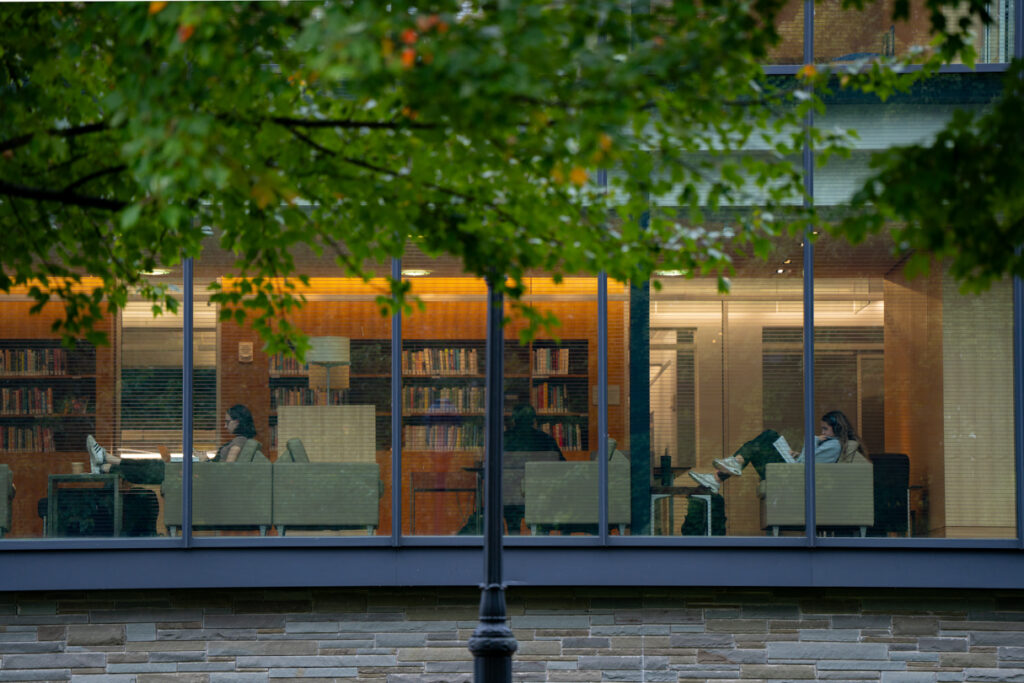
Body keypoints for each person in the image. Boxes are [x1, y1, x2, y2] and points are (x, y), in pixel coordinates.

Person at [688, 410, 869, 494]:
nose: (822, 433)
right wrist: (799, 453)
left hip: (794, 478)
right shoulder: (834, 444)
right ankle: (724, 472)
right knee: (762, 442)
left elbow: (807, 467)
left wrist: (812, 440)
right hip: (795, 474)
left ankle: (720, 475)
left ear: (836, 429)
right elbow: (810, 461)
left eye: (825, 429)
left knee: (769, 436)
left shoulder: (835, 445)